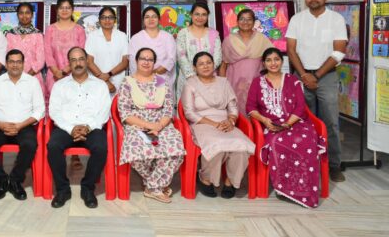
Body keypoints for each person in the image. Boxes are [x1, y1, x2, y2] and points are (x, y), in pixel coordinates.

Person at [246, 48, 326, 208]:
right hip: (271, 125)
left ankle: (305, 190)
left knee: (305, 140)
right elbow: (250, 107)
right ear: (264, 63)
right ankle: (285, 187)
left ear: (282, 62)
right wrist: (265, 121)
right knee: (277, 142)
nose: (273, 63)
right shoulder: (257, 82)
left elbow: (300, 107)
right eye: (269, 60)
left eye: (276, 59)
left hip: (296, 123)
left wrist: (288, 124)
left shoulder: (292, 80)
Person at [286, 0, 347, 182]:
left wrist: (317, 75)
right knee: (301, 121)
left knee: (331, 121)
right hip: (301, 75)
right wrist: (304, 75)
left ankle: (334, 165)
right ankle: (306, 160)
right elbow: (291, 50)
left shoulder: (336, 19)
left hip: (327, 77)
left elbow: (339, 51)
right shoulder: (297, 19)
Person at [181, 52, 255, 199]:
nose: (205, 66)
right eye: (201, 64)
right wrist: (214, 124)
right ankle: (205, 179)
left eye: (208, 62)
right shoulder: (190, 84)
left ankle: (230, 181)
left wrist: (231, 121)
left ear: (213, 64)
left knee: (241, 144)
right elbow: (189, 113)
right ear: (194, 67)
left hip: (225, 122)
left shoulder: (223, 82)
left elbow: (233, 107)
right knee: (216, 144)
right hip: (202, 123)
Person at [117, 47, 185, 203]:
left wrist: (158, 126)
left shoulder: (161, 82)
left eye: (150, 59)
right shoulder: (127, 82)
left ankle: (152, 186)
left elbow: (168, 109)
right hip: (137, 125)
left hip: (161, 124)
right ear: (136, 61)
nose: (146, 62)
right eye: (143, 59)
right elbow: (125, 113)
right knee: (136, 150)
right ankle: (157, 185)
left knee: (175, 149)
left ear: (154, 63)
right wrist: (148, 126)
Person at [47, 47, 111, 209]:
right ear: (69, 63)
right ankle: (63, 190)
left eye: (81, 59)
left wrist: (88, 127)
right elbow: (54, 111)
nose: (78, 63)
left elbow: (104, 111)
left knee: (101, 147)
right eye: (74, 60)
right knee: (53, 146)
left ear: (87, 61)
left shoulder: (100, 85)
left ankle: (87, 188)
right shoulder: (60, 85)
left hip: (92, 127)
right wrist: (71, 128)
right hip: (66, 127)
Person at [0, 49, 45, 200]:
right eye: (11, 62)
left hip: (24, 125)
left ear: (23, 64)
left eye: (18, 62)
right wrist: (0, 125)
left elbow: (40, 109)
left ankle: (15, 179)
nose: (15, 65)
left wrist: (20, 125)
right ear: (6, 64)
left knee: (30, 144)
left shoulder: (32, 82)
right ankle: (2, 179)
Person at [219, 8, 273, 114]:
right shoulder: (229, 40)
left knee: (256, 112)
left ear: (254, 22)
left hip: (256, 83)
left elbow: (272, 61)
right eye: (242, 19)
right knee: (236, 112)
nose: (245, 22)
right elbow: (223, 65)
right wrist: (222, 86)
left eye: (249, 19)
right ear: (237, 21)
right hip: (234, 84)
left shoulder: (261, 39)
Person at [176, 2, 222, 101]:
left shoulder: (214, 34)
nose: (200, 17)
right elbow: (181, 56)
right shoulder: (183, 33)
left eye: (204, 14)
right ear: (191, 15)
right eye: (197, 14)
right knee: (188, 106)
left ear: (207, 16)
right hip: (188, 79)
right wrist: (192, 77)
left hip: (209, 79)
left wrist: (205, 73)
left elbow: (217, 57)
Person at [44, 0, 86, 99]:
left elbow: (82, 53)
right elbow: (47, 54)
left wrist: (64, 71)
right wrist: (56, 72)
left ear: (72, 10)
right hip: (54, 76)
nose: (64, 10)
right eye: (61, 7)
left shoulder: (79, 30)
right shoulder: (50, 29)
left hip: (74, 74)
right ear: (57, 10)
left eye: (67, 8)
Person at [128, 6, 177, 92]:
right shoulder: (136, 38)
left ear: (159, 19)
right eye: (147, 17)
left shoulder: (168, 37)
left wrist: (155, 72)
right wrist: (144, 75)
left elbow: (171, 59)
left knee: (162, 98)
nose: (151, 19)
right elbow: (132, 60)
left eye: (154, 16)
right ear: (143, 20)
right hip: (141, 80)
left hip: (163, 79)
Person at [86, 6, 129, 95]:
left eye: (110, 17)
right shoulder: (92, 36)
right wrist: (105, 80)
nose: (107, 20)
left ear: (115, 20)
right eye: (104, 17)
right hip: (97, 81)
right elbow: (89, 62)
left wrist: (108, 75)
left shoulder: (122, 36)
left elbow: (125, 62)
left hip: (118, 81)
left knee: (117, 103)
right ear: (99, 20)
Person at [5, 2, 46, 96]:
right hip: (13, 79)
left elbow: (40, 61)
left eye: (27, 13)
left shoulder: (38, 34)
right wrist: (17, 76)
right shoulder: (10, 34)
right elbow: (6, 58)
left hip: (34, 78)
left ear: (32, 15)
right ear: (17, 15)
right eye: (21, 13)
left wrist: (25, 77)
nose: (24, 16)